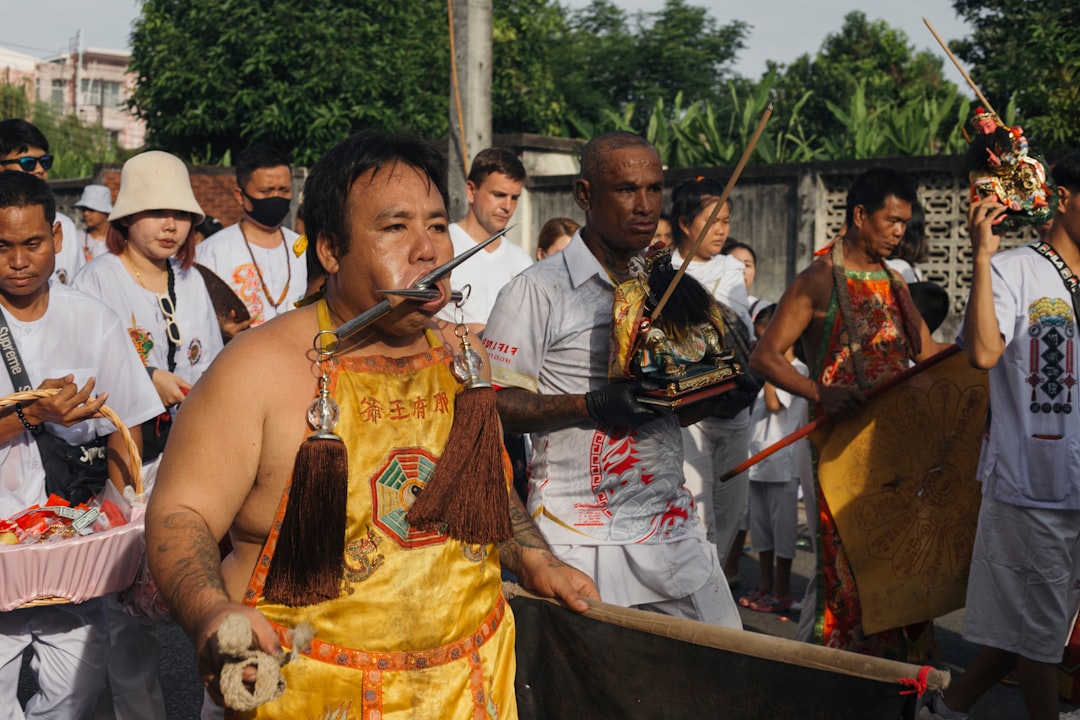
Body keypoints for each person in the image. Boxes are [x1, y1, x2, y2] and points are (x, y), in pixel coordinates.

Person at [144, 131, 598, 719]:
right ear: (331, 250)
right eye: (394, 228)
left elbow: (485, 491)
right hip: (302, 694)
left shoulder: (465, 358)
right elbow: (181, 514)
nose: (428, 250)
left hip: (470, 687)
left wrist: (539, 559)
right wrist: (210, 611)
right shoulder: (256, 369)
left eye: (437, 226)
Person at [484, 131, 742, 628]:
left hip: (671, 526)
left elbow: (679, 406)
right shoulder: (537, 290)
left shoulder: (669, 284)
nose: (645, 206)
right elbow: (493, 405)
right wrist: (593, 405)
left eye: (654, 189)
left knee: (725, 672)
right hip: (576, 535)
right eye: (626, 190)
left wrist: (721, 391)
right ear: (585, 195)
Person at [750, 166, 943, 658]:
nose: (900, 232)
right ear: (860, 216)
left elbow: (928, 353)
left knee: (896, 564)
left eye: (905, 222)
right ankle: (833, 678)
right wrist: (820, 391)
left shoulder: (895, 281)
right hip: (837, 449)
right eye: (891, 220)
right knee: (845, 569)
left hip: (893, 449)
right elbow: (766, 355)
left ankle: (894, 681)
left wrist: (986, 357)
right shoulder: (817, 279)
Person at [920, 153, 1080, 720]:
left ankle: (944, 710)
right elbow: (985, 352)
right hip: (1033, 482)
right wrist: (982, 256)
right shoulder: (1015, 268)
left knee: (1034, 627)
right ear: (1064, 198)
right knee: (1039, 635)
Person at [0, 172, 163, 719]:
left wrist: (119, 518)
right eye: (2, 246)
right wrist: (30, 413)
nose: (18, 261)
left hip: (71, 548)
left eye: (32, 243)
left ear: (57, 239)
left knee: (76, 693)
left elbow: (128, 423)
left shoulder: (92, 320)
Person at [667, 177, 755, 587]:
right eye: (712, 220)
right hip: (691, 414)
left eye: (726, 220)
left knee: (731, 513)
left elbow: (737, 332)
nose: (721, 229)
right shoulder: (662, 271)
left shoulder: (732, 269)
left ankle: (712, 588)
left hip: (735, 408)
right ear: (685, 222)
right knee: (698, 513)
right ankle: (702, 596)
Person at [739, 304, 810, 614]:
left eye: (766, 337)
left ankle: (782, 590)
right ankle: (765, 585)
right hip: (758, 461)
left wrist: (772, 362)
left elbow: (774, 404)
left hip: (781, 462)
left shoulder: (799, 371)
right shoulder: (769, 370)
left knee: (783, 531)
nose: (760, 344)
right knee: (761, 529)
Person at [196, 144, 304, 329]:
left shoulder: (305, 249)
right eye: (266, 191)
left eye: (284, 190)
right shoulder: (210, 253)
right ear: (240, 196)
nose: (276, 197)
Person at [434, 147, 530, 336]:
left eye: (515, 198)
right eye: (499, 195)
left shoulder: (523, 261)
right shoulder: (438, 247)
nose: (507, 207)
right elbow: (414, 315)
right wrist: (471, 332)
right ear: (471, 191)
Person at [0, 119, 81, 285]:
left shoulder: (64, 226)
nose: (39, 169)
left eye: (45, 162)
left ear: (55, 237)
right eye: (28, 163)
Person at [722, 240, 770, 323]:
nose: (742, 270)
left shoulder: (763, 308)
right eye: (735, 264)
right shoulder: (711, 304)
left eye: (747, 265)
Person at [72, 184, 113, 263]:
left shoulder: (120, 239)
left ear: (106, 212)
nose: (86, 214)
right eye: (84, 209)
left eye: (91, 209)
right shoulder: (76, 238)